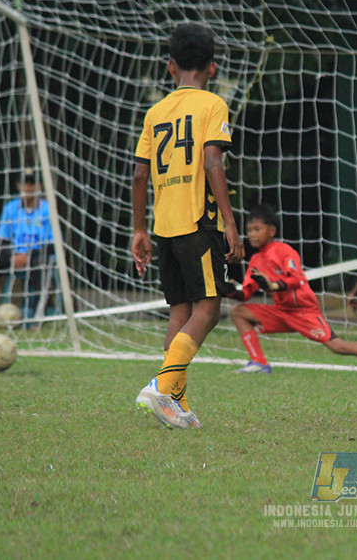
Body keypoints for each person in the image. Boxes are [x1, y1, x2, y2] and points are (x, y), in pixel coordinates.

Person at [131, 23, 243, 431]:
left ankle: (174, 402)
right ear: (212, 68)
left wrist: (139, 229)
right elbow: (213, 162)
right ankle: (161, 387)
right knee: (208, 310)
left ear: (169, 66)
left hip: (165, 225)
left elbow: (140, 176)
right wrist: (231, 224)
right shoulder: (213, 105)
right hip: (200, 221)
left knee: (180, 311)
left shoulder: (155, 112)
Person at [225, 204, 357, 379]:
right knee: (238, 311)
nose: (252, 234)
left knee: (338, 346)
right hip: (282, 311)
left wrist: (273, 285)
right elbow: (246, 294)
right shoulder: (256, 261)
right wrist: (229, 291)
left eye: (257, 229)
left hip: (304, 312)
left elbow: (297, 279)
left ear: (272, 231)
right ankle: (259, 362)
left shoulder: (284, 251)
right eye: (249, 230)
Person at [0, 169, 53, 325]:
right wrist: (14, 255)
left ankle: (36, 319)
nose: (28, 188)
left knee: (41, 266)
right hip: (12, 255)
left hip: (36, 255)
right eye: (24, 183)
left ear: (39, 186)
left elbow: (53, 244)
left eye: (32, 183)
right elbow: (3, 239)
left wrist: (27, 255)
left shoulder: (48, 209)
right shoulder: (11, 208)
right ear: (18, 185)